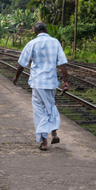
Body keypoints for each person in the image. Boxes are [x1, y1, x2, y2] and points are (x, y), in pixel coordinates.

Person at [12, 21, 69, 151]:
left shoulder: (32, 43)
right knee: (50, 106)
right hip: (51, 82)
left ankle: (44, 143)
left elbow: (22, 63)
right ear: (46, 30)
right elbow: (62, 63)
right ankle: (54, 133)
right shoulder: (55, 42)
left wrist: (17, 76)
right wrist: (65, 81)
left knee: (39, 111)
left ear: (35, 32)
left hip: (38, 83)